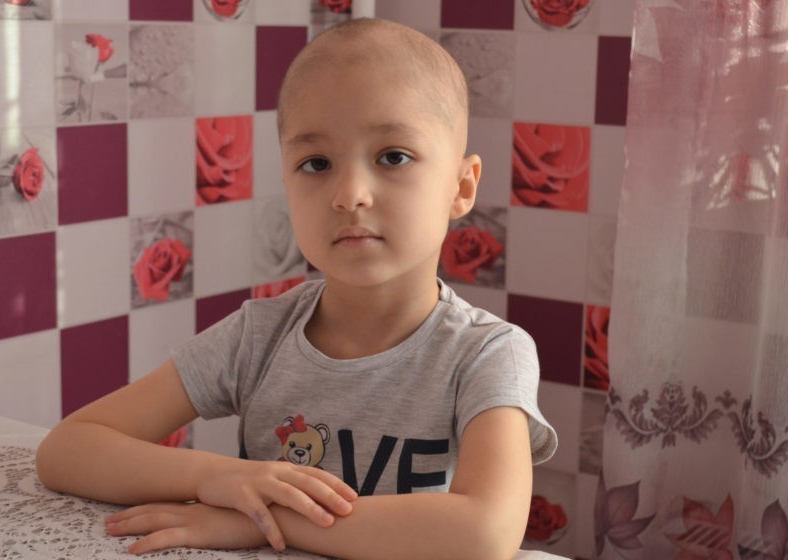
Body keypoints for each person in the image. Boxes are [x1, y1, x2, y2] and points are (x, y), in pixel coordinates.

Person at [36, 17, 557, 560]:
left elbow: (485, 533)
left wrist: (265, 522)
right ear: (287, 182)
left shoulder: (488, 353)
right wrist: (214, 477)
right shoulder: (259, 336)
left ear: (461, 186)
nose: (349, 194)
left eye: (393, 156)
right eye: (316, 163)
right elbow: (66, 450)